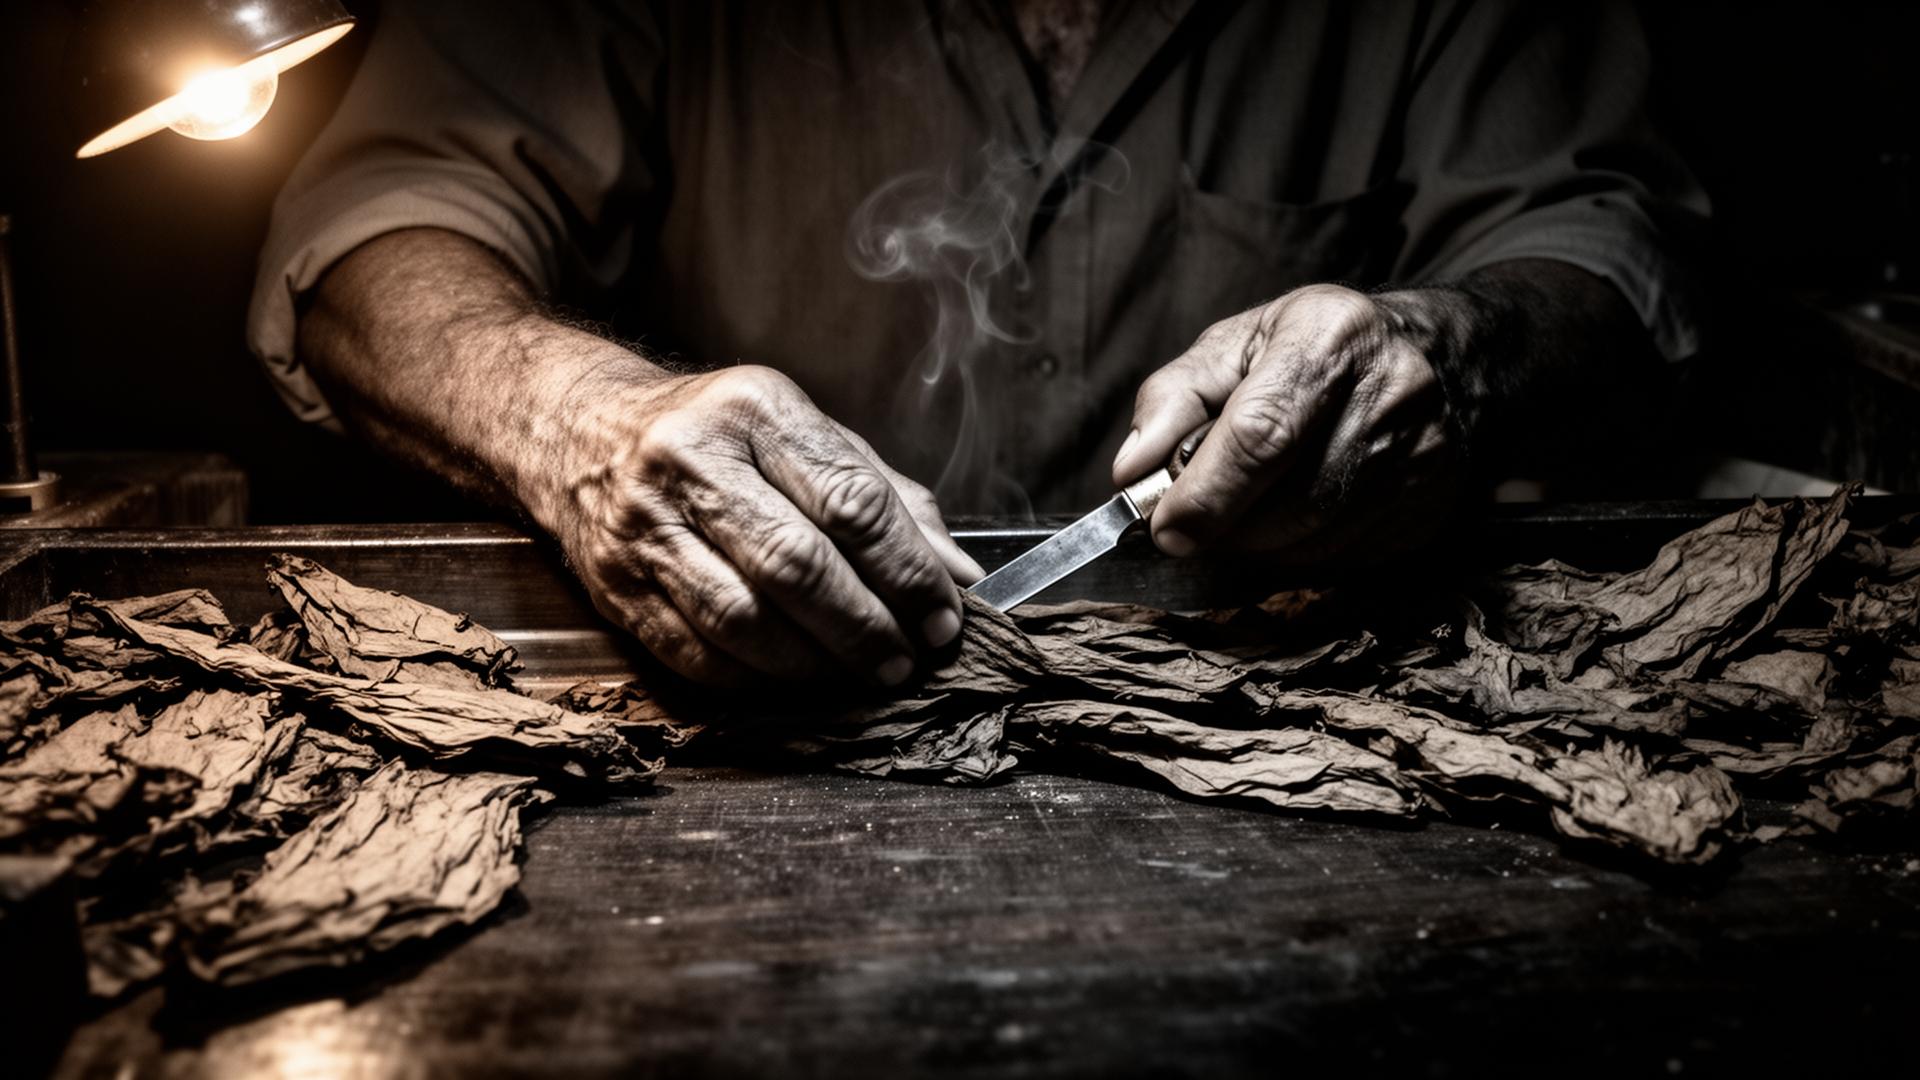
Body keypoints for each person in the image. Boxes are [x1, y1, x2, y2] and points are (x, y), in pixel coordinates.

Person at [250, 0, 1707, 687]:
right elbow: (376, 233)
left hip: (1283, 682)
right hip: (761, 713)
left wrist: (1447, 348)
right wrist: (578, 417)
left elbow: (1607, 248)